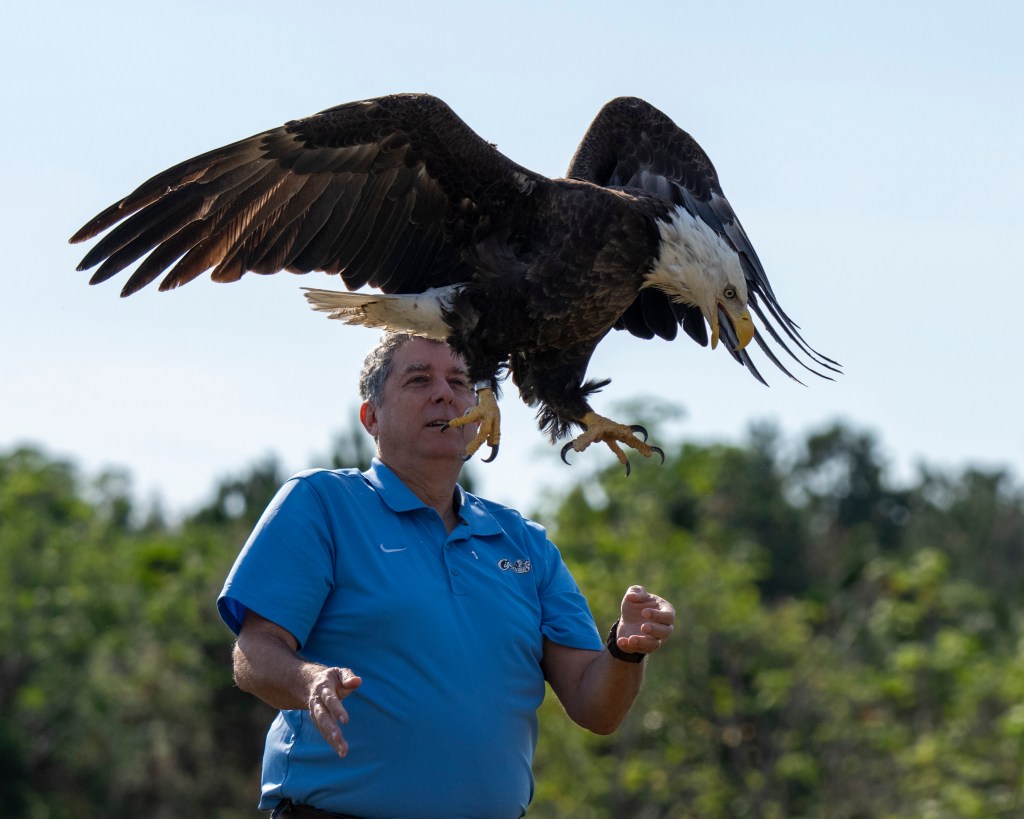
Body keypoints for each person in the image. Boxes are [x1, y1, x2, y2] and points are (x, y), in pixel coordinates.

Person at [218, 333, 676, 819]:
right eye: (420, 379)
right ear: (371, 417)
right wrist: (308, 680)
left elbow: (596, 709)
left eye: (461, 381)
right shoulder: (321, 503)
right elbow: (254, 655)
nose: (446, 394)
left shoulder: (524, 541)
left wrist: (624, 651)